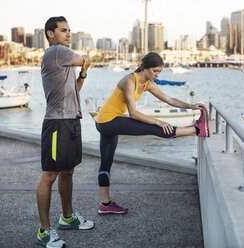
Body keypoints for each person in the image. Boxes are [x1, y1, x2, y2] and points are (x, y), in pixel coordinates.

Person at [95, 52, 210, 215]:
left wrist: (192, 106)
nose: (157, 75)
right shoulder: (130, 80)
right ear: (145, 68)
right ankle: (196, 130)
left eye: (159, 72)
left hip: (106, 122)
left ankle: (104, 205)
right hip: (107, 121)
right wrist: (158, 121)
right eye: (155, 71)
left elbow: (169, 100)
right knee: (151, 127)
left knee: (106, 163)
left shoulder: (148, 83)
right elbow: (133, 113)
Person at [36, 16, 94, 248]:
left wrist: (83, 74)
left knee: (68, 171)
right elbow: (85, 58)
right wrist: (85, 63)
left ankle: (67, 218)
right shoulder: (56, 52)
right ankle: (43, 231)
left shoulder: (65, 60)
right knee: (49, 175)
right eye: (63, 30)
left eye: (70, 30)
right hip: (57, 124)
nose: (69, 34)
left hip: (71, 120)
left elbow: (74, 91)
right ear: (50, 34)